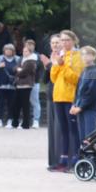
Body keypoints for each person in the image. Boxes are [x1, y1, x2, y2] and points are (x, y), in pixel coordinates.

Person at [48, 30, 83, 172]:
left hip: (70, 97)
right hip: (58, 96)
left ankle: (75, 160)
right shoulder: (60, 55)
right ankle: (62, 160)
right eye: (62, 40)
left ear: (74, 41)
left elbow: (76, 78)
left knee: (73, 129)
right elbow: (53, 78)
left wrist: (63, 66)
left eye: (67, 40)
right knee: (63, 130)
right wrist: (57, 64)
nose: (64, 43)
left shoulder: (77, 56)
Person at [70, 46, 96, 153]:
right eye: (83, 54)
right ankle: (86, 160)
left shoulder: (95, 72)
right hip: (81, 108)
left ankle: (94, 159)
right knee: (83, 138)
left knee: (90, 137)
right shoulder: (85, 71)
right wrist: (74, 104)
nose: (84, 57)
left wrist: (80, 106)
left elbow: (92, 93)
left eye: (87, 54)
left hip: (90, 108)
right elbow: (78, 90)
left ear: (93, 56)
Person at [40, 34, 60, 169]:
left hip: (62, 96)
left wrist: (50, 65)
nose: (54, 45)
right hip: (51, 96)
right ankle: (53, 161)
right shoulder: (51, 58)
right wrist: (47, 66)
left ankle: (61, 161)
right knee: (52, 131)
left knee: (59, 130)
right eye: (52, 43)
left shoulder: (64, 58)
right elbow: (45, 80)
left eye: (57, 42)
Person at [0, 44, 19, 128]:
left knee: (12, 103)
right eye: (7, 49)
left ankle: (10, 120)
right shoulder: (0, 58)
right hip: (1, 85)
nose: (8, 51)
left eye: (10, 50)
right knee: (0, 103)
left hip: (13, 85)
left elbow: (21, 69)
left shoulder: (17, 59)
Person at [13, 42, 38, 130]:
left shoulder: (31, 61)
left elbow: (24, 72)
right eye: (23, 51)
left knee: (25, 105)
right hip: (19, 84)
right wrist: (18, 69)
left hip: (26, 85)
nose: (24, 53)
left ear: (30, 52)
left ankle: (26, 124)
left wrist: (19, 70)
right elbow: (15, 68)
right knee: (16, 104)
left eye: (26, 51)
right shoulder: (21, 59)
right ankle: (15, 123)